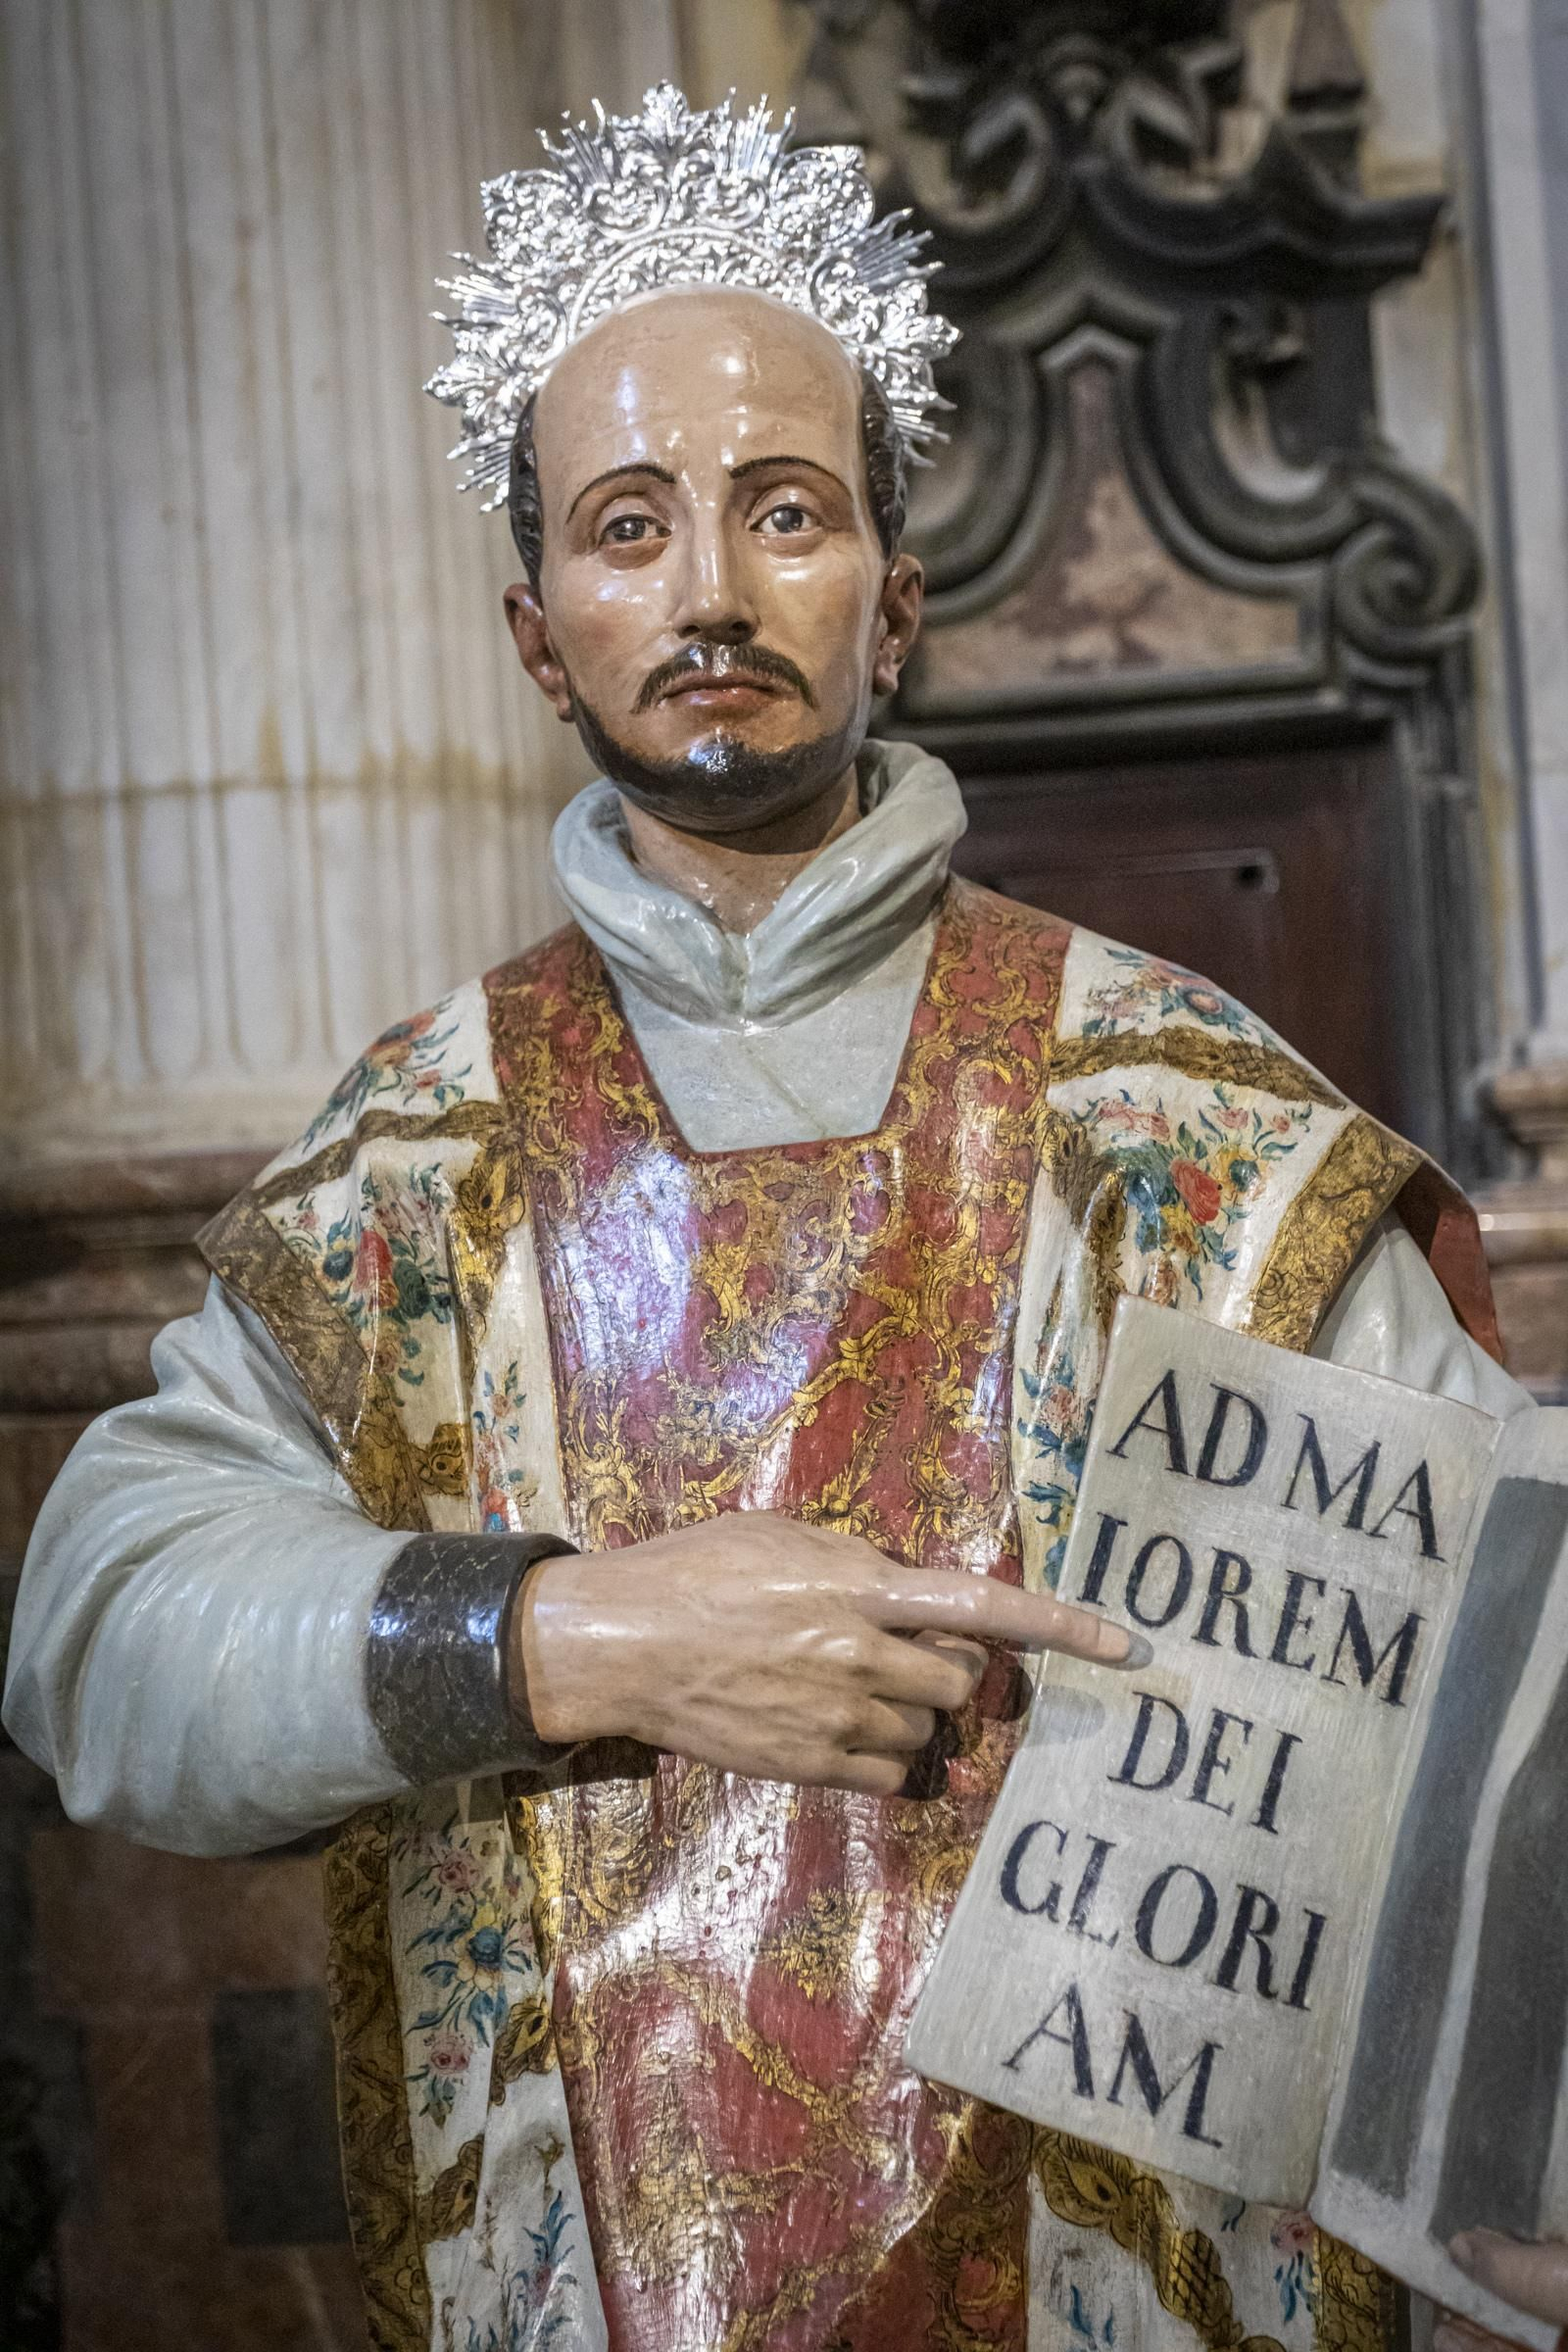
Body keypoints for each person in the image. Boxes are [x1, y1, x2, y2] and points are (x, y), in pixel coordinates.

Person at [2, 84, 1531, 2352]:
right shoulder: (409, 1169)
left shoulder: (1185, 1114)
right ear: (538, 632)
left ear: (891, 600)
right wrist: (575, 1639)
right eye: (627, 528)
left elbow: (1508, 1699)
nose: (709, 591)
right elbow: (98, 1636)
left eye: (781, 512)